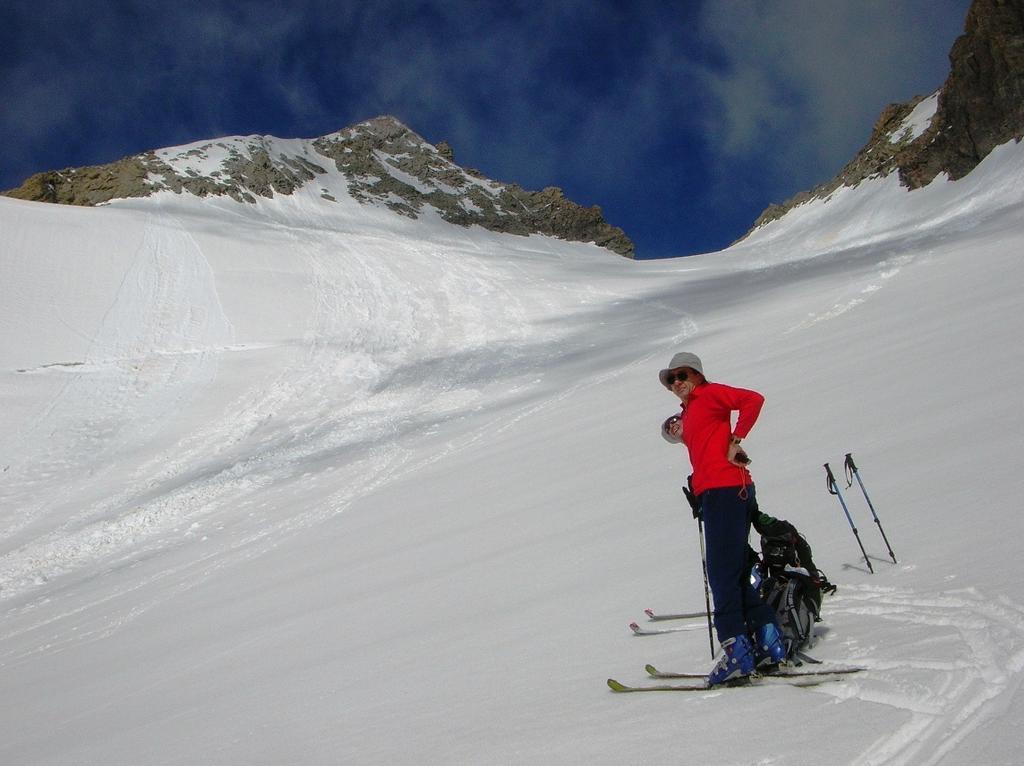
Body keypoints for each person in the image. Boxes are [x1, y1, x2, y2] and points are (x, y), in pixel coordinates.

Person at [659, 351, 787, 685]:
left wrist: (736, 438)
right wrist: (676, 431)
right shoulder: (692, 409)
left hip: (724, 492)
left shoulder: (711, 394)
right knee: (735, 570)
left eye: (682, 375)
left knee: (719, 572)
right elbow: (690, 435)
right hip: (723, 492)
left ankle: (737, 653)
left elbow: (753, 400)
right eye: (671, 379)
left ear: (697, 375)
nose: (677, 383)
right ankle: (769, 641)